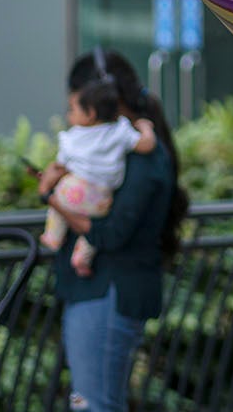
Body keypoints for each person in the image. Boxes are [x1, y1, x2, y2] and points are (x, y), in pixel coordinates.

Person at [43, 47, 188, 412]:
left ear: (102, 104)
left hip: (108, 296)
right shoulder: (124, 152)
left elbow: (111, 229)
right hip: (101, 294)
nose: (70, 117)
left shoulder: (142, 158)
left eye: (75, 106)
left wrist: (56, 199)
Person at [43, 74, 152, 274]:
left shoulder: (72, 137)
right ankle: (82, 256)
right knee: (94, 228)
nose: (69, 115)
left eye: (72, 110)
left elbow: (60, 167)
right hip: (100, 200)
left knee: (57, 204)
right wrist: (146, 128)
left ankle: (53, 236)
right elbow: (146, 145)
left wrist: (47, 180)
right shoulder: (121, 130)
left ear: (90, 113)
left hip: (71, 192)